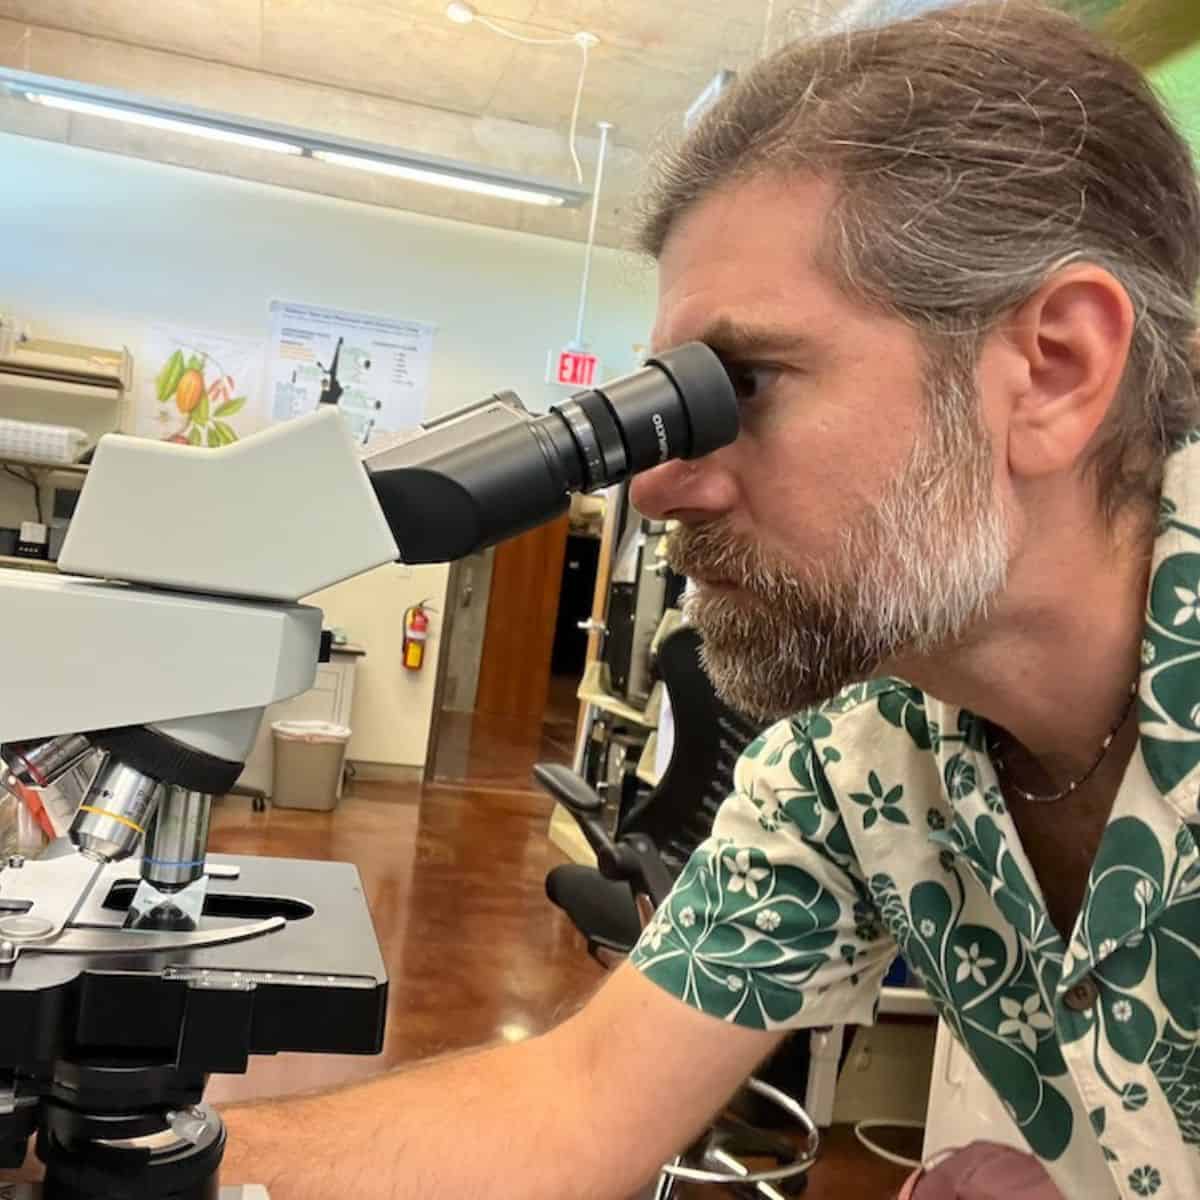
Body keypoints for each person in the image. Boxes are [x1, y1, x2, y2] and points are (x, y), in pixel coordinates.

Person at [34, 2, 1199, 1197]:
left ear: (1054, 370)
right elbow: (578, 1105)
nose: (656, 484)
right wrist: (95, 1172)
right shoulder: (864, 752)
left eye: (745, 382)